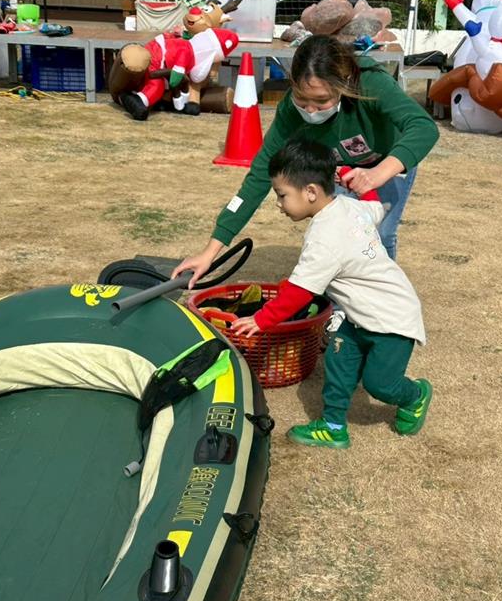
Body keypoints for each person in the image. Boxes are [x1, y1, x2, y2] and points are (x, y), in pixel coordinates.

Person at [173, 34, 439, 285]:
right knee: (339, 234)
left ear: (343, 84)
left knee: (381, 234)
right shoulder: (290, 110)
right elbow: (259, 174)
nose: (310, 110)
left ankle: (383, 295)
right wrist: (210, 251)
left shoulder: (370, 84)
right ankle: (339, 301)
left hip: (389, 163)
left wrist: (378, 174)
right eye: (302, 99)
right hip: (341, 170)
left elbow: (423, 128)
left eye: (321, 101)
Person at [230, 140, 432, 449]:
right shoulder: (347, 206)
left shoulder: (325, 237)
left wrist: (260, 320)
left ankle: (415, 395)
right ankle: (334, 426)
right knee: (339, 363)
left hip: (392, 319)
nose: (279, 204)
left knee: (380, 384)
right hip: (359, 316)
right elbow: (377, 208)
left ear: (310, 192)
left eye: (282, 195)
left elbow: (300, 293)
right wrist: (357, 182)